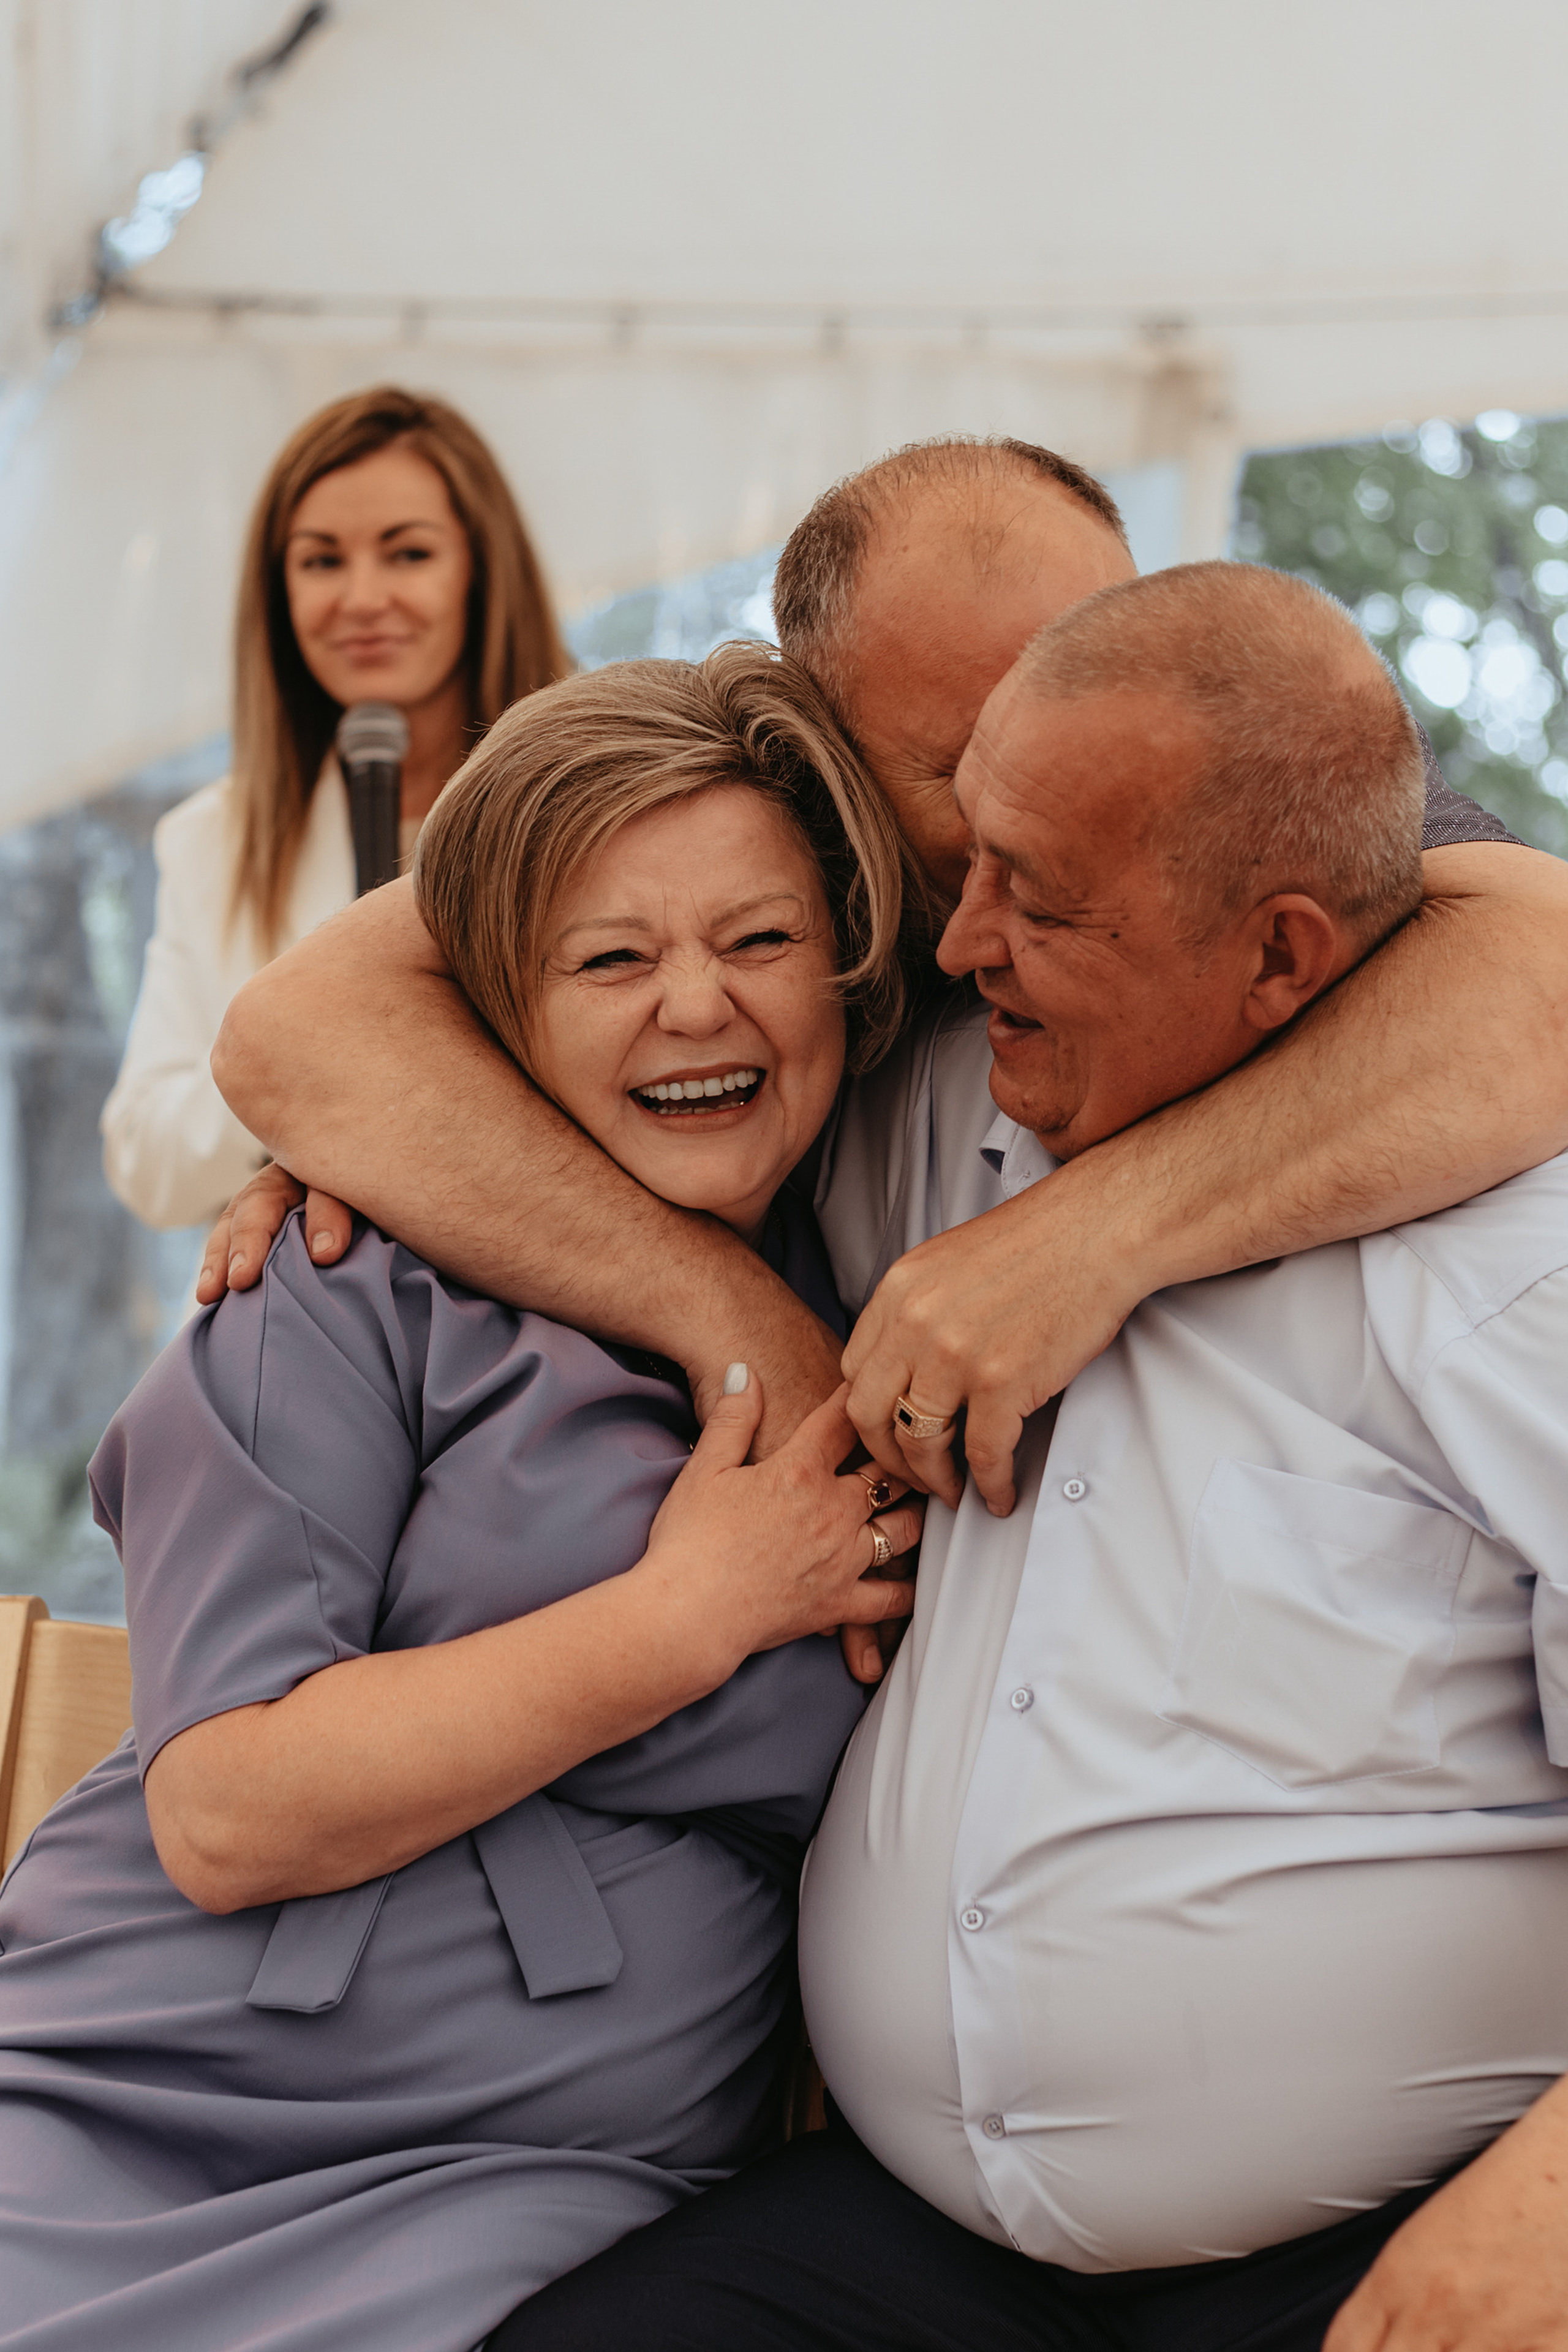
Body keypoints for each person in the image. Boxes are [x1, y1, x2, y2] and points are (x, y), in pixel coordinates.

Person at [495, 562, 1568, 2351]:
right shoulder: (934, 1109)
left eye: (1039, 901)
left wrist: (1549, 2211)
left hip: (1375, 2244)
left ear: (1284, 954)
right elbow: (336, 1021)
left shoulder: (1510, 1267)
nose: (954, 938)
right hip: (913, 2239)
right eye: (966, 853)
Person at [0, 647, 922, 2352]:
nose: (699, 1007)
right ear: (503, 1011)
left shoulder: (905, 1315)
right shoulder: (342, 1272)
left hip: (558, 2183)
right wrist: (688, 1617)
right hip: (153, 2103)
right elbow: (228, 1813)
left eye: (762, 941)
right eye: (612, 959)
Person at [206, 438, 1568, 1554]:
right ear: (820, 757)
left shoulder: (1221, 779)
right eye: (971, 761)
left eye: (1093, 670)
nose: (1054, 762)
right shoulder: (739, 807)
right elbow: (300, 1031)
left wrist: (1080, 1241)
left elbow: (1543, 977)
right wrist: (736, 1322)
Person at [100, 383, 568, 1245]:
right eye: (320, 561)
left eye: (408, 554)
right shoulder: (215, 840)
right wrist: (298, 1068)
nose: (360, 598)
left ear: (481, 568)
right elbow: (146, 1160)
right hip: (314, 1324)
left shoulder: (594, 810)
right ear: (278, 594)